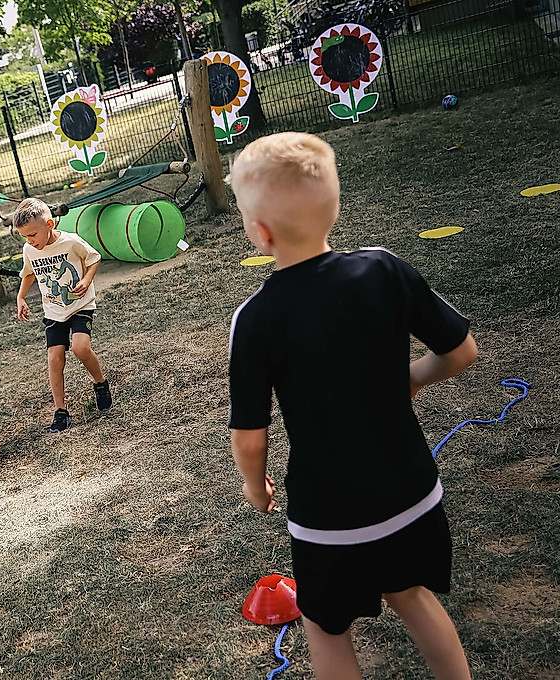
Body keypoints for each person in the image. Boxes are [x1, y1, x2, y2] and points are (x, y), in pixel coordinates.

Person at [228, 132, 477, 680]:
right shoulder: (384, 268)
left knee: (324, 627)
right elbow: (461, 352)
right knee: (411, 595)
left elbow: (250, 434)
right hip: (411, 492)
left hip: (328, 520)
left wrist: (254, 483)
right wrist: (412, 379)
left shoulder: (255, 319)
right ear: (333, 209)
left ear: (259, 232)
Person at [12, 198, 113, 433]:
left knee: (80, 348)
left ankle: (100, 383)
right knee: (55, 359)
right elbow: (29, 274)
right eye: (25, 236)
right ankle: (61, 411)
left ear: (49, 224)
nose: (29, 241)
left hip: (80, 305)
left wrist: (87, 280)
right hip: (54, 311)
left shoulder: (70, 242)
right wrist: (21, 297)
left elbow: (93, 258)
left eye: (33, 235)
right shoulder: (30, 249)